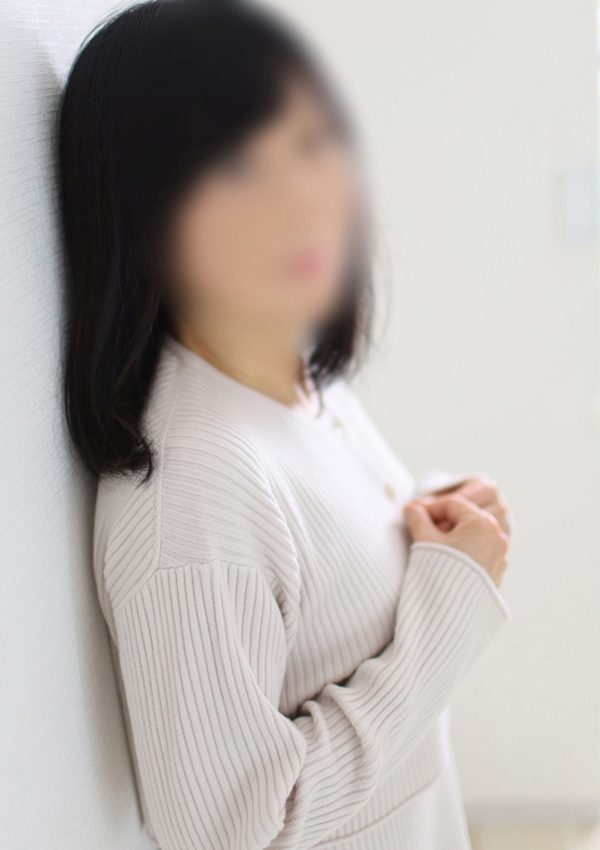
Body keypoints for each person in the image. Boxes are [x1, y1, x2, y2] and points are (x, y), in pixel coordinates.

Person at [57, 1, 513, 848]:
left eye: (308, 142)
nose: (304, 197)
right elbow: (235, 832)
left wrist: (425, 526)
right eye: (236, 164)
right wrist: (448, 607)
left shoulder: (297, 375)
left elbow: (327, 588)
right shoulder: (192, 497)